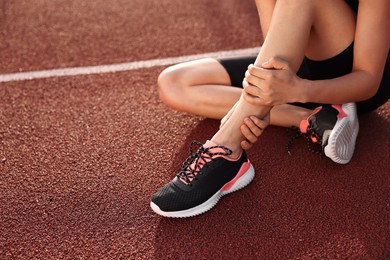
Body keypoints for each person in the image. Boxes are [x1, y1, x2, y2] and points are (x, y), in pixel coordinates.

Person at [150, 0, 390, 218]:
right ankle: (312, 118)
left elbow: (368, 80)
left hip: (353, 77)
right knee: (173, 83)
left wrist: (298, 90)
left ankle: (227, 148)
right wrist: (264, 91)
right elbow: (274, 51)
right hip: (297, 67)